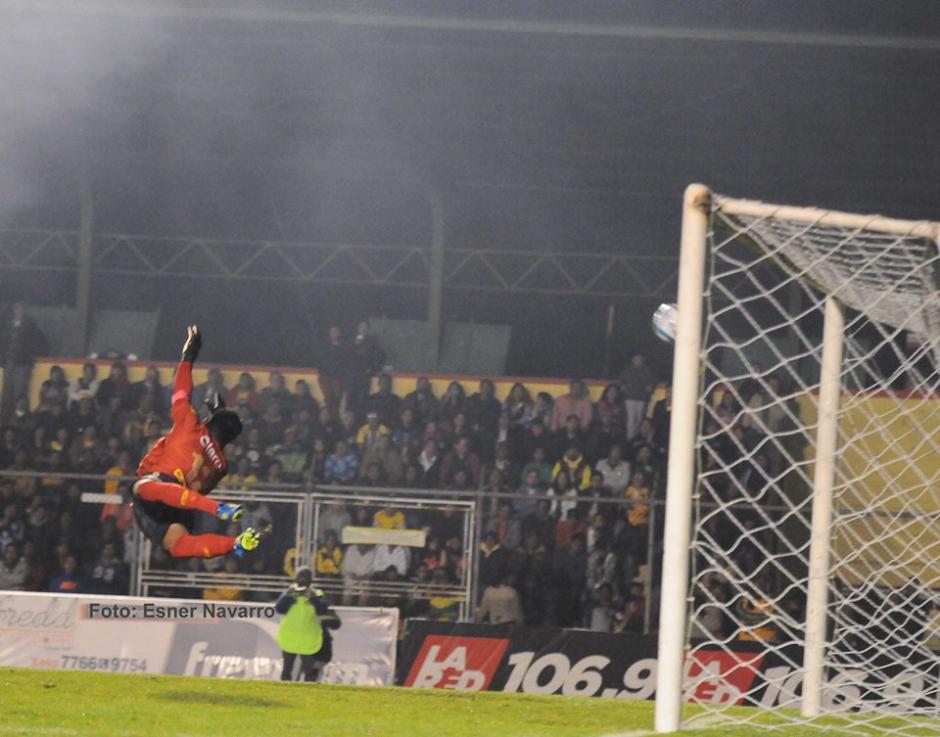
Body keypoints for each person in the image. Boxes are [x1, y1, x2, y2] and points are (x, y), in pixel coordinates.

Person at [131, 325, 266, 560]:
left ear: (209, 419)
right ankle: (233, 544)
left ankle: (218, 508)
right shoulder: (222, 467)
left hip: (160, 488)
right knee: (178, 545)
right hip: (180, 504)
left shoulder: (190, 423)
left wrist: (188, 357)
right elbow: (215, 441)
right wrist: (219, 412)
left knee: (142, 487)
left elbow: (181, 391)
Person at [275, 566, 339, 682]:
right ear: (296, 578)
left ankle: (308, 693)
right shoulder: (290, 592)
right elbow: (279, 609)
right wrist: (289, 597)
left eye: (305, 577)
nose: (302, 580)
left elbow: (322, 609)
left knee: (309, 671)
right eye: (300, 577)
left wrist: (313, 598)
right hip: (290, 636)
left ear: (311, 580)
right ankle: (284, 692)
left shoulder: (317, 593)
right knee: (287, 669)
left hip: (308, 638)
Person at [1, 303, 48, 421]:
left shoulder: (31, 327)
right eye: (17, 308)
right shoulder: (8, 326)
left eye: (21, 308)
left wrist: (28, 354)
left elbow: (39, 343)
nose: (19, 311)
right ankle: (4, 418)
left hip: (22, 363)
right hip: (9, 361)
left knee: (19, 392)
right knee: (7, 391)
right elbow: (3, 342)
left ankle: (19, 419)